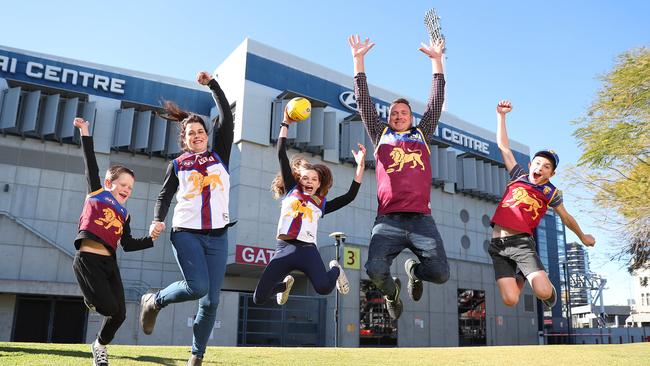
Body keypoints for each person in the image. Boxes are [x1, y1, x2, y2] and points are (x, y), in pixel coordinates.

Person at [348, 34, 449, 320]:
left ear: (412, 117)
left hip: (421, 221)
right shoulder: (381, 134)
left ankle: (414, 272)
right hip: (388, 220)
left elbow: (436, 102)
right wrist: (358, 61)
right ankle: (392, 294)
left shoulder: (422, 134)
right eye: (394, 112)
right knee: (375, 270)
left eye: (404, 112)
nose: (399, 115)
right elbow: (363, 101)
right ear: (388, 117)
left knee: (440, 274)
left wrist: (437, 63)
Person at [140, 71, 234, 366]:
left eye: (201, 131)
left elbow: (226, 119)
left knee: (211, 301)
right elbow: (164, 196)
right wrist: (158, 219)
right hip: (186, 233)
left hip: (218, 235)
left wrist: (212, 85)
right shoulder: (177, 164)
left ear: (207, 135)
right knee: (198, 287)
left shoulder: (220, 156)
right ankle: (154, 301)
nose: (197, 135)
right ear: (184, 138)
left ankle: (197, 356)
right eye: (191, 133)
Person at [71, 117, 161, 366]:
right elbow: (90, 163)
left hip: (109, 264)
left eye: (131, 187)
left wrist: (151, 238)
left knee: (119, 314)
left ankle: (99, 346)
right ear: (110, 184)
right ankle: (91, 298)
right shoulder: (97, 194)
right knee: (108, 307)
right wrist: (85, 131)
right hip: (87, 259)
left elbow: (128, 244)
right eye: (123, 184)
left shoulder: (125, 213)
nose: (127, 190)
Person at [252, 108, 366, 305]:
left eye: (314, 179)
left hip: (307, 251)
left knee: (323, 288)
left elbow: (349, 196)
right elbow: (281, 153)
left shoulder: (320, 205)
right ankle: (283, 286)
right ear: (299, 180)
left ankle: (336, 270)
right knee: (259, 298)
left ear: (319, 184)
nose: (310, 181)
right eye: (306, 178)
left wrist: (360, 166)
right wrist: (285, 122)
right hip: (284, 249)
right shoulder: (291, 190)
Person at [489, 100, 596, 308]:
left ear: (552, 173)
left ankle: (545, 288)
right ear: (531, 165)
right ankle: (521, 275)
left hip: (521, 244)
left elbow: (566, 217)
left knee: (543, 291)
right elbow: (503, 147)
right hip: (498, 246)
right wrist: (501, 116)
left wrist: (582, 236)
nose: (541, 167)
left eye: (547, 166)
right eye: (538, 163)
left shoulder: (551, 192)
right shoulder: (518, 176)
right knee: (511, 300)